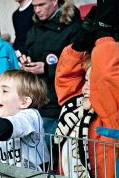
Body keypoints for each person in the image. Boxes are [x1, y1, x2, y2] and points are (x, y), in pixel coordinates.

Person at [55, 0, 119, 178]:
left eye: (93, 82)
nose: (86, 87)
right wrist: (80, 43)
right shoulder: (77, 108)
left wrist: (105, 35)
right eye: (86, 80)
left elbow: (107, 78)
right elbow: (66, 78)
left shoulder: (113, 118)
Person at [18, 0, 81, 142]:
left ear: (54, 2)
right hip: (36, 101)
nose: (37, 10)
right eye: (34, 6)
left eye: (41, 5)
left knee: (46, 154)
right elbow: (30, 51)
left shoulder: (74, 28)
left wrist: (47, 68)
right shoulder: (35, 27)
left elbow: (79, 66)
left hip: (58, 105)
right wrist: (26, 61)